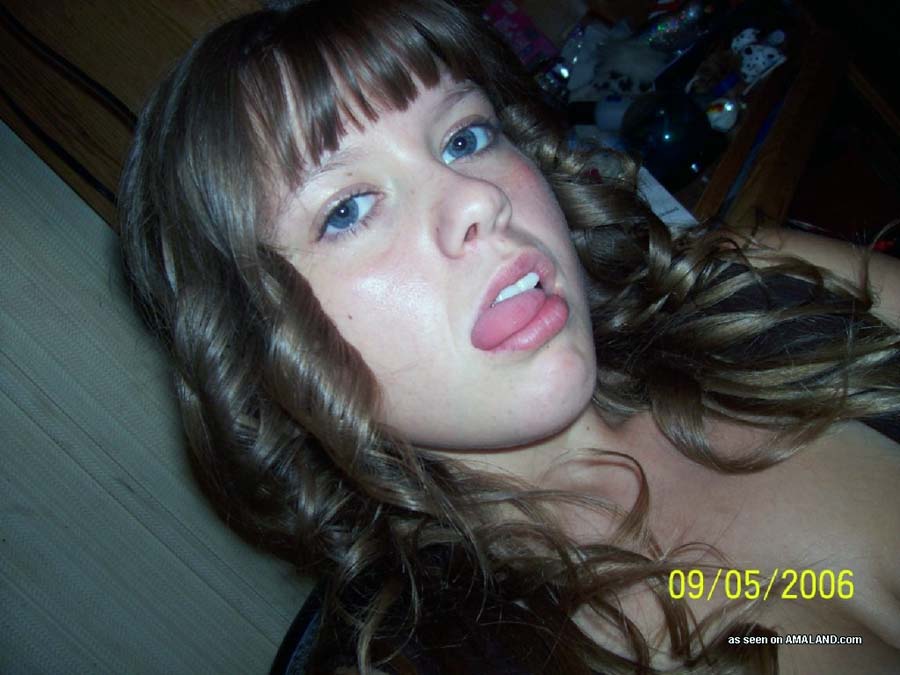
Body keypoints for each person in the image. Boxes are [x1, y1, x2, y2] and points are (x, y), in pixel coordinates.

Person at [118, 0, 900, 672]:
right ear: (265, 355)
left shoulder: (757, 281)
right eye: (346, 210)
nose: (475, 199)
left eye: (464, 137)